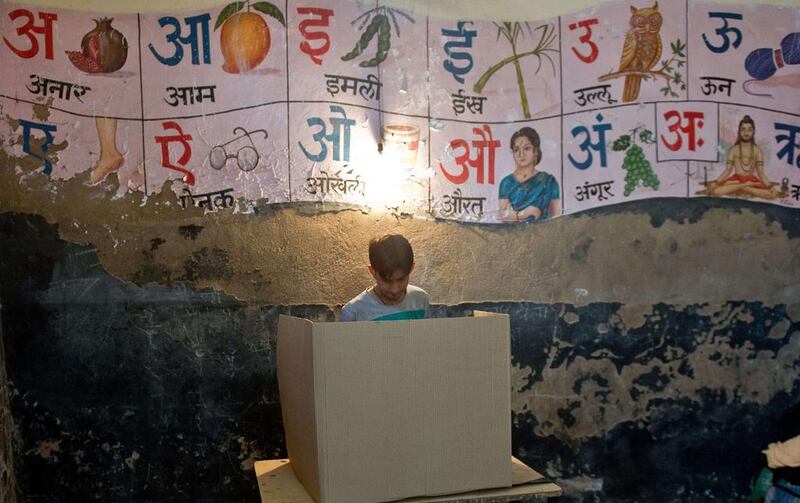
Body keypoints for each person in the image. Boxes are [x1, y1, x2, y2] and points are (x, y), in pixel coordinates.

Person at [340, 234, 430, 322]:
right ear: (372, 271)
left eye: (401, 279)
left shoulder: (420, 299)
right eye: (386, 281)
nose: (394, 290)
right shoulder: (353, 312)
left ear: (411, 268)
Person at [703, 115, 785, 199]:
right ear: (739, 131)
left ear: (753, 132)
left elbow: (761, 173)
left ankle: (744, 187)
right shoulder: (734, 149)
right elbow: (728, 170)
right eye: (743, 129)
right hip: (736, 180)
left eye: (749, 130)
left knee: (772, 195)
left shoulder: (757, 151)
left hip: (751, 180)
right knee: (716, 191)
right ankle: (745, 186)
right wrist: (716, 182)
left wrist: (771, 187)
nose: (746, 133)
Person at [498, 126, 560, 222]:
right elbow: (503, 218)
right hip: (516, 235)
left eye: (526, 148)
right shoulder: (506, 183)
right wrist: (522, 215)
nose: (521, 154)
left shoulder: (549, 181)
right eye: (516, 150)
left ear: (535, 151)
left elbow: (557, 218)